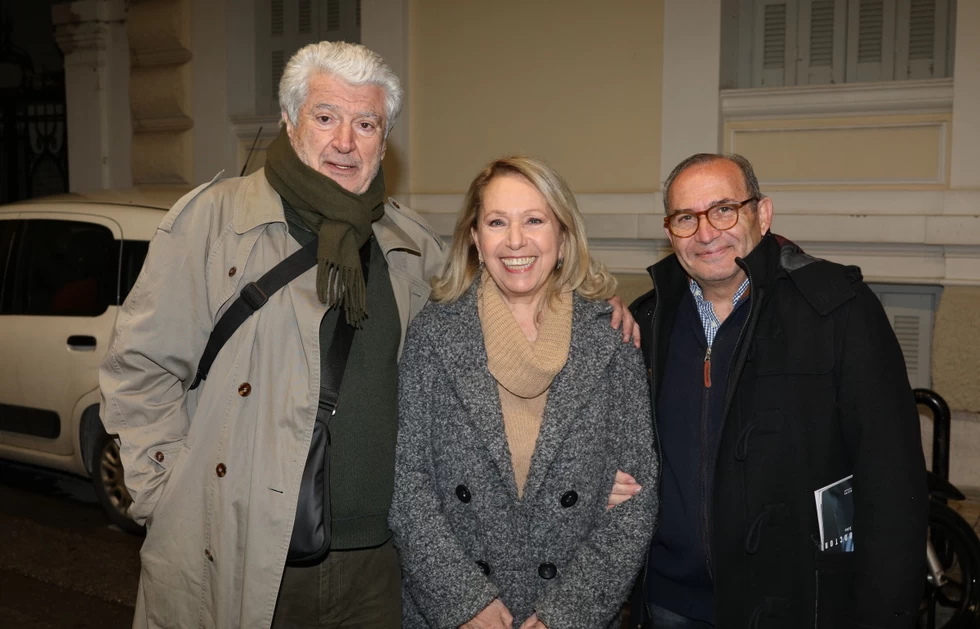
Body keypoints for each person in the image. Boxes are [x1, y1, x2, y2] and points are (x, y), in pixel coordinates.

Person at [100, 42, 637, 629]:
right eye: (325, 117)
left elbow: (498, 290)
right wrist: (167, 496)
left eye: (366, 124)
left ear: (384, 141)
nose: (345, 142)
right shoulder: (215, 224)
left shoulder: (407, 243)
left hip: (379, 564)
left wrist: (587, 303)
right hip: (243, 553)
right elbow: (139, 368)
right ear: (289, 120)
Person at [620, 153, 928, 628]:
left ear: (762, 215)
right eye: (686, 218)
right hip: (669, 604)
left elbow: (892, 480)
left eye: (724, 210)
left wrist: (885, 614)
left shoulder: (836, 310)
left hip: (793, 606)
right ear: (670, 232)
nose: (705, 233)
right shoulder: (647, 321)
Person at [388, 156, 659, 629]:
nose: (515, 241)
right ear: (475, 238)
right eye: (497, 222)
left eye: (534, 220)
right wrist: (464, 602)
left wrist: (566, 615)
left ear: (563, 236)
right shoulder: (433, 334)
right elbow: (407, 485)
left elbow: (636, 500)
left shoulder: (611, 337)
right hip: (459, 614)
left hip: (571, 610)